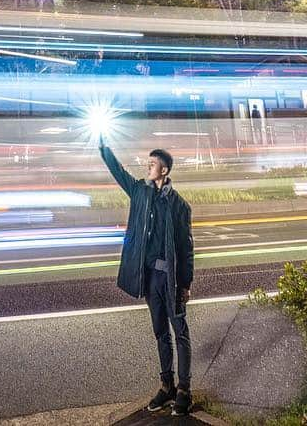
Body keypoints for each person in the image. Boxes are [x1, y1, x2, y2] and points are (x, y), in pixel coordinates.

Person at [99, 136, 194, 416]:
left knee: (180, 334)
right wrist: (103, 146)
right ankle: (167, 386)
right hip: (150, 278)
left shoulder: (179, 206)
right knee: (160, 333)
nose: (147, 167)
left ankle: (184, 391)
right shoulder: (140, 192)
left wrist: (186, 284)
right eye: (148, 163)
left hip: (172, 280)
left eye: (152, 164)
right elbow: (119, 172)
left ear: (164, 170)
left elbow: (187, 249)